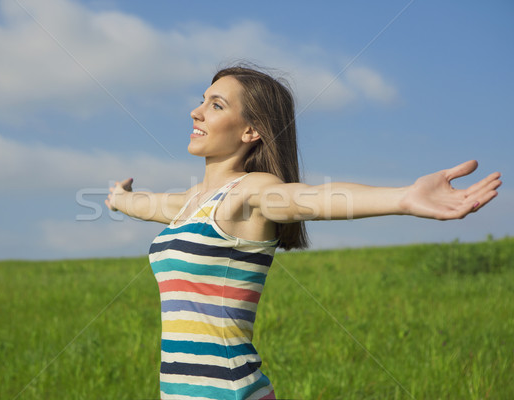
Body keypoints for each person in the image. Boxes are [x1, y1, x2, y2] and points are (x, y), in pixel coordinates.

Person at [105, 65, 501, 399]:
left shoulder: (252, 191)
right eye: (203, 100)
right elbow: (147, 204)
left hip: (229, 391)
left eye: (216, 104)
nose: (196, 112)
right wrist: (120, 198)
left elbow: (311, 197)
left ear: (250, 131)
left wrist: (404, 197)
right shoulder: (193, 202)